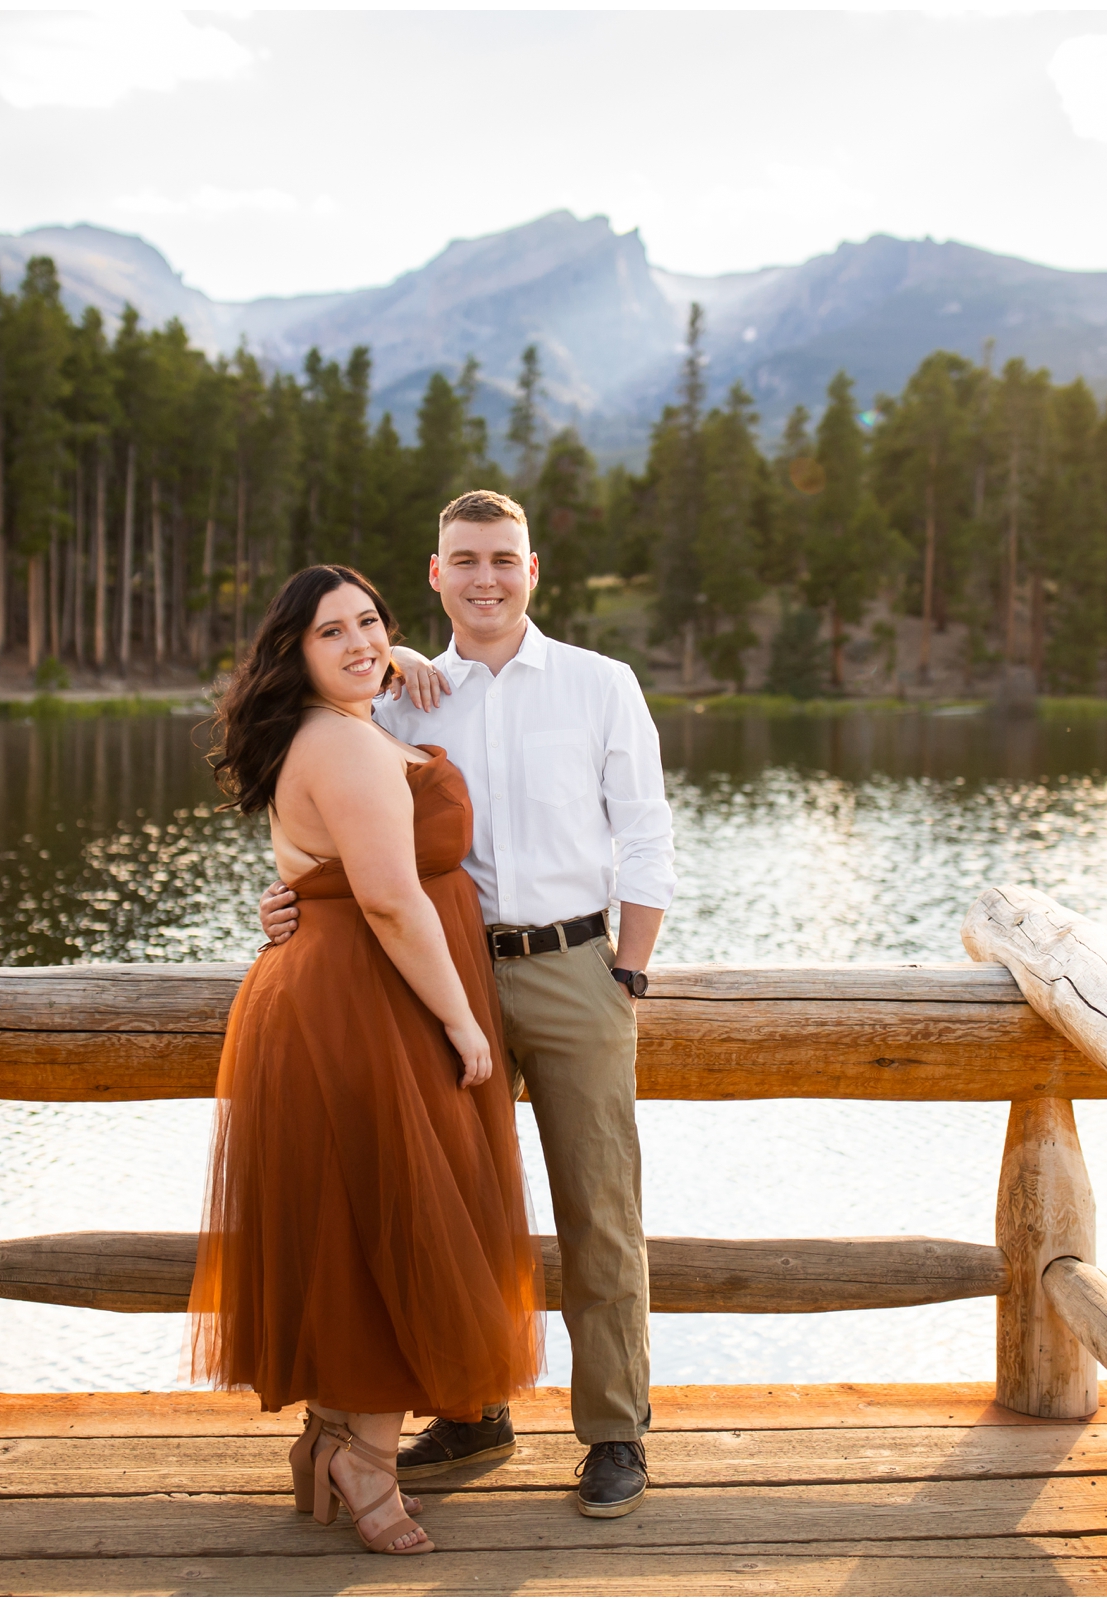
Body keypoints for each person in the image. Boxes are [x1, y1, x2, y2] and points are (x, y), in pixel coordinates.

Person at [259, 489, 672, 1519]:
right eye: (463, 559)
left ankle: (615, 1428)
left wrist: (629, 967)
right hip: (439, 978)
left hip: (575, 964)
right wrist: (285, 895)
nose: (485, 575)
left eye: (504, 557)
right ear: (435, 575)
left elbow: (650, 831)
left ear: (534, 571)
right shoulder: (397, 694)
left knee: (599, 1203)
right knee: (461, 1198)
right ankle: (469, 1405)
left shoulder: (599, 683)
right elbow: (338, 825)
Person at [190, 562, 540, 1557]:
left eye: (370, 622)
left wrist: (400, 656)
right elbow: (388, 897)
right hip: (367, 1007)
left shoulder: (340, 724)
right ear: (293, 653)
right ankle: (368, 1466)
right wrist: (467, 1026)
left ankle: (340, 1440)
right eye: (329, 632)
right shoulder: (342, 746)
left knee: (359, 1221)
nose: (357, 643)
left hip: (353, 993)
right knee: (393, 1223)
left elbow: (333, 872)